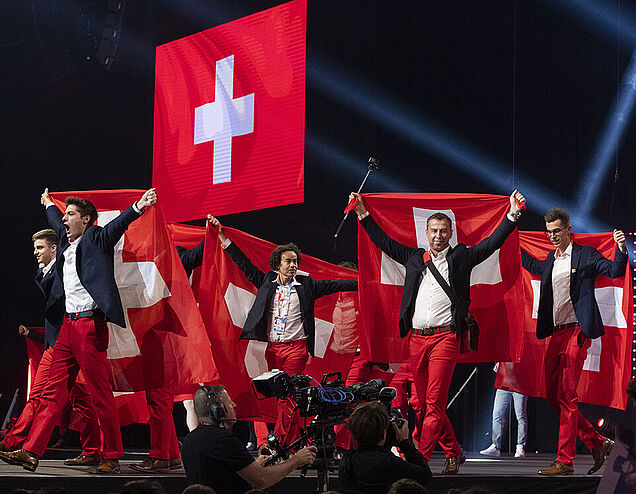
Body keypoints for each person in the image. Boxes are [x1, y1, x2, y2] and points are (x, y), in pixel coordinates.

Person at [350, 190, 525, 474]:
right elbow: (383, 241)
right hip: (416, 338)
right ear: (426, 232)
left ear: (451, 233)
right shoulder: (414, 258)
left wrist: (513, 214)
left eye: (444, 231)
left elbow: (493, 243)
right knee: (419, 405)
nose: (439, 235)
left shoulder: (462, 257)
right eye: (434, 230)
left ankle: (418, 461)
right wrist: (362, 213)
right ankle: (454, 451)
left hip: (446, 338)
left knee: (433, 403)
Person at [0, 187, 157, 474]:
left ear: (85, 220)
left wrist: (139, 206)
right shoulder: (63, 242)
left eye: (70, 215)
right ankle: (31, 451)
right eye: (65, 214)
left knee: (99, 395)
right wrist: (48, 202)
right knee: (52, 393)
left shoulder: (97, 239)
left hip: (89, 326)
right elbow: (53, 220)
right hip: (67, 330)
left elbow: (118, 225)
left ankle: (111, 455)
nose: (64, 219)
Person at [208, 215, 358, 446]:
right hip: (272, 349)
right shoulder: (267, 281)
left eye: (296, 261)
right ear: (278, 264)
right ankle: (295, 440)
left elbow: (335, 285)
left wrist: (363, 282)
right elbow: (244, 265)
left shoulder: (307, 286)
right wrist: (223, 238)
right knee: (280, 397)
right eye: (288, 261)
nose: (293, 265)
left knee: (286, 395)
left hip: (296, 349)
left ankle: (278, 441)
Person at [521, 207, 627, 475]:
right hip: (555, 333)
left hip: (578, 331)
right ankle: (597, 441)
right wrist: (507, 235)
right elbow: (528, 264)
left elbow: (614, 270)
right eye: (549, 232)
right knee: (553, 397)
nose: (553, 236)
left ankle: (565, 460)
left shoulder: (585, 255)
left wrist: (621, 249)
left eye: (557, 231)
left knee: (568, 396)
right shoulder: (549, 259)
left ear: (568, 229)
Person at [1, 229, 102, 466]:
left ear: (54, 248)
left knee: (74, 401)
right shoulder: (50, 270)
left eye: (40, 248)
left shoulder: (63, 267)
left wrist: (49, 206)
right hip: (58, 343)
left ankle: (93, 451)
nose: (35, 253)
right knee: (57, 399)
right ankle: (15, 443)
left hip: (67, 343)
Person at [129, 239, 205, 473]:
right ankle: (171, 455)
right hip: (148, 334)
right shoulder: (137, 261)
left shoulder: (174, 257)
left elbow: (195, 256)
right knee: (157, 400)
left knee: (159, 399)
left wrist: (211, 232)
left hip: (164, 337)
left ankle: (160, 456)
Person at [181, 385, 317, 494]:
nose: (234, 405)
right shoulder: (223, 440)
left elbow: (218, 475)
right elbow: (262, 480)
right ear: (219, 410)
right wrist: (296, 460)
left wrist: (251, 465)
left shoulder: (190, 439)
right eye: (229, 402)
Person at [338, 401, 432, 493]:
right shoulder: (389, 463)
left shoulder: (347, 462)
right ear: (384, 433)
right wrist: (405, 443)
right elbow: (425, 476)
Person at [480, 364, 528, 458]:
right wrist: (498, 363)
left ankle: (520, 446)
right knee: (496, 415)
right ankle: (495, 446)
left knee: (521, 416)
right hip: (504, 384)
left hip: (519, 384)